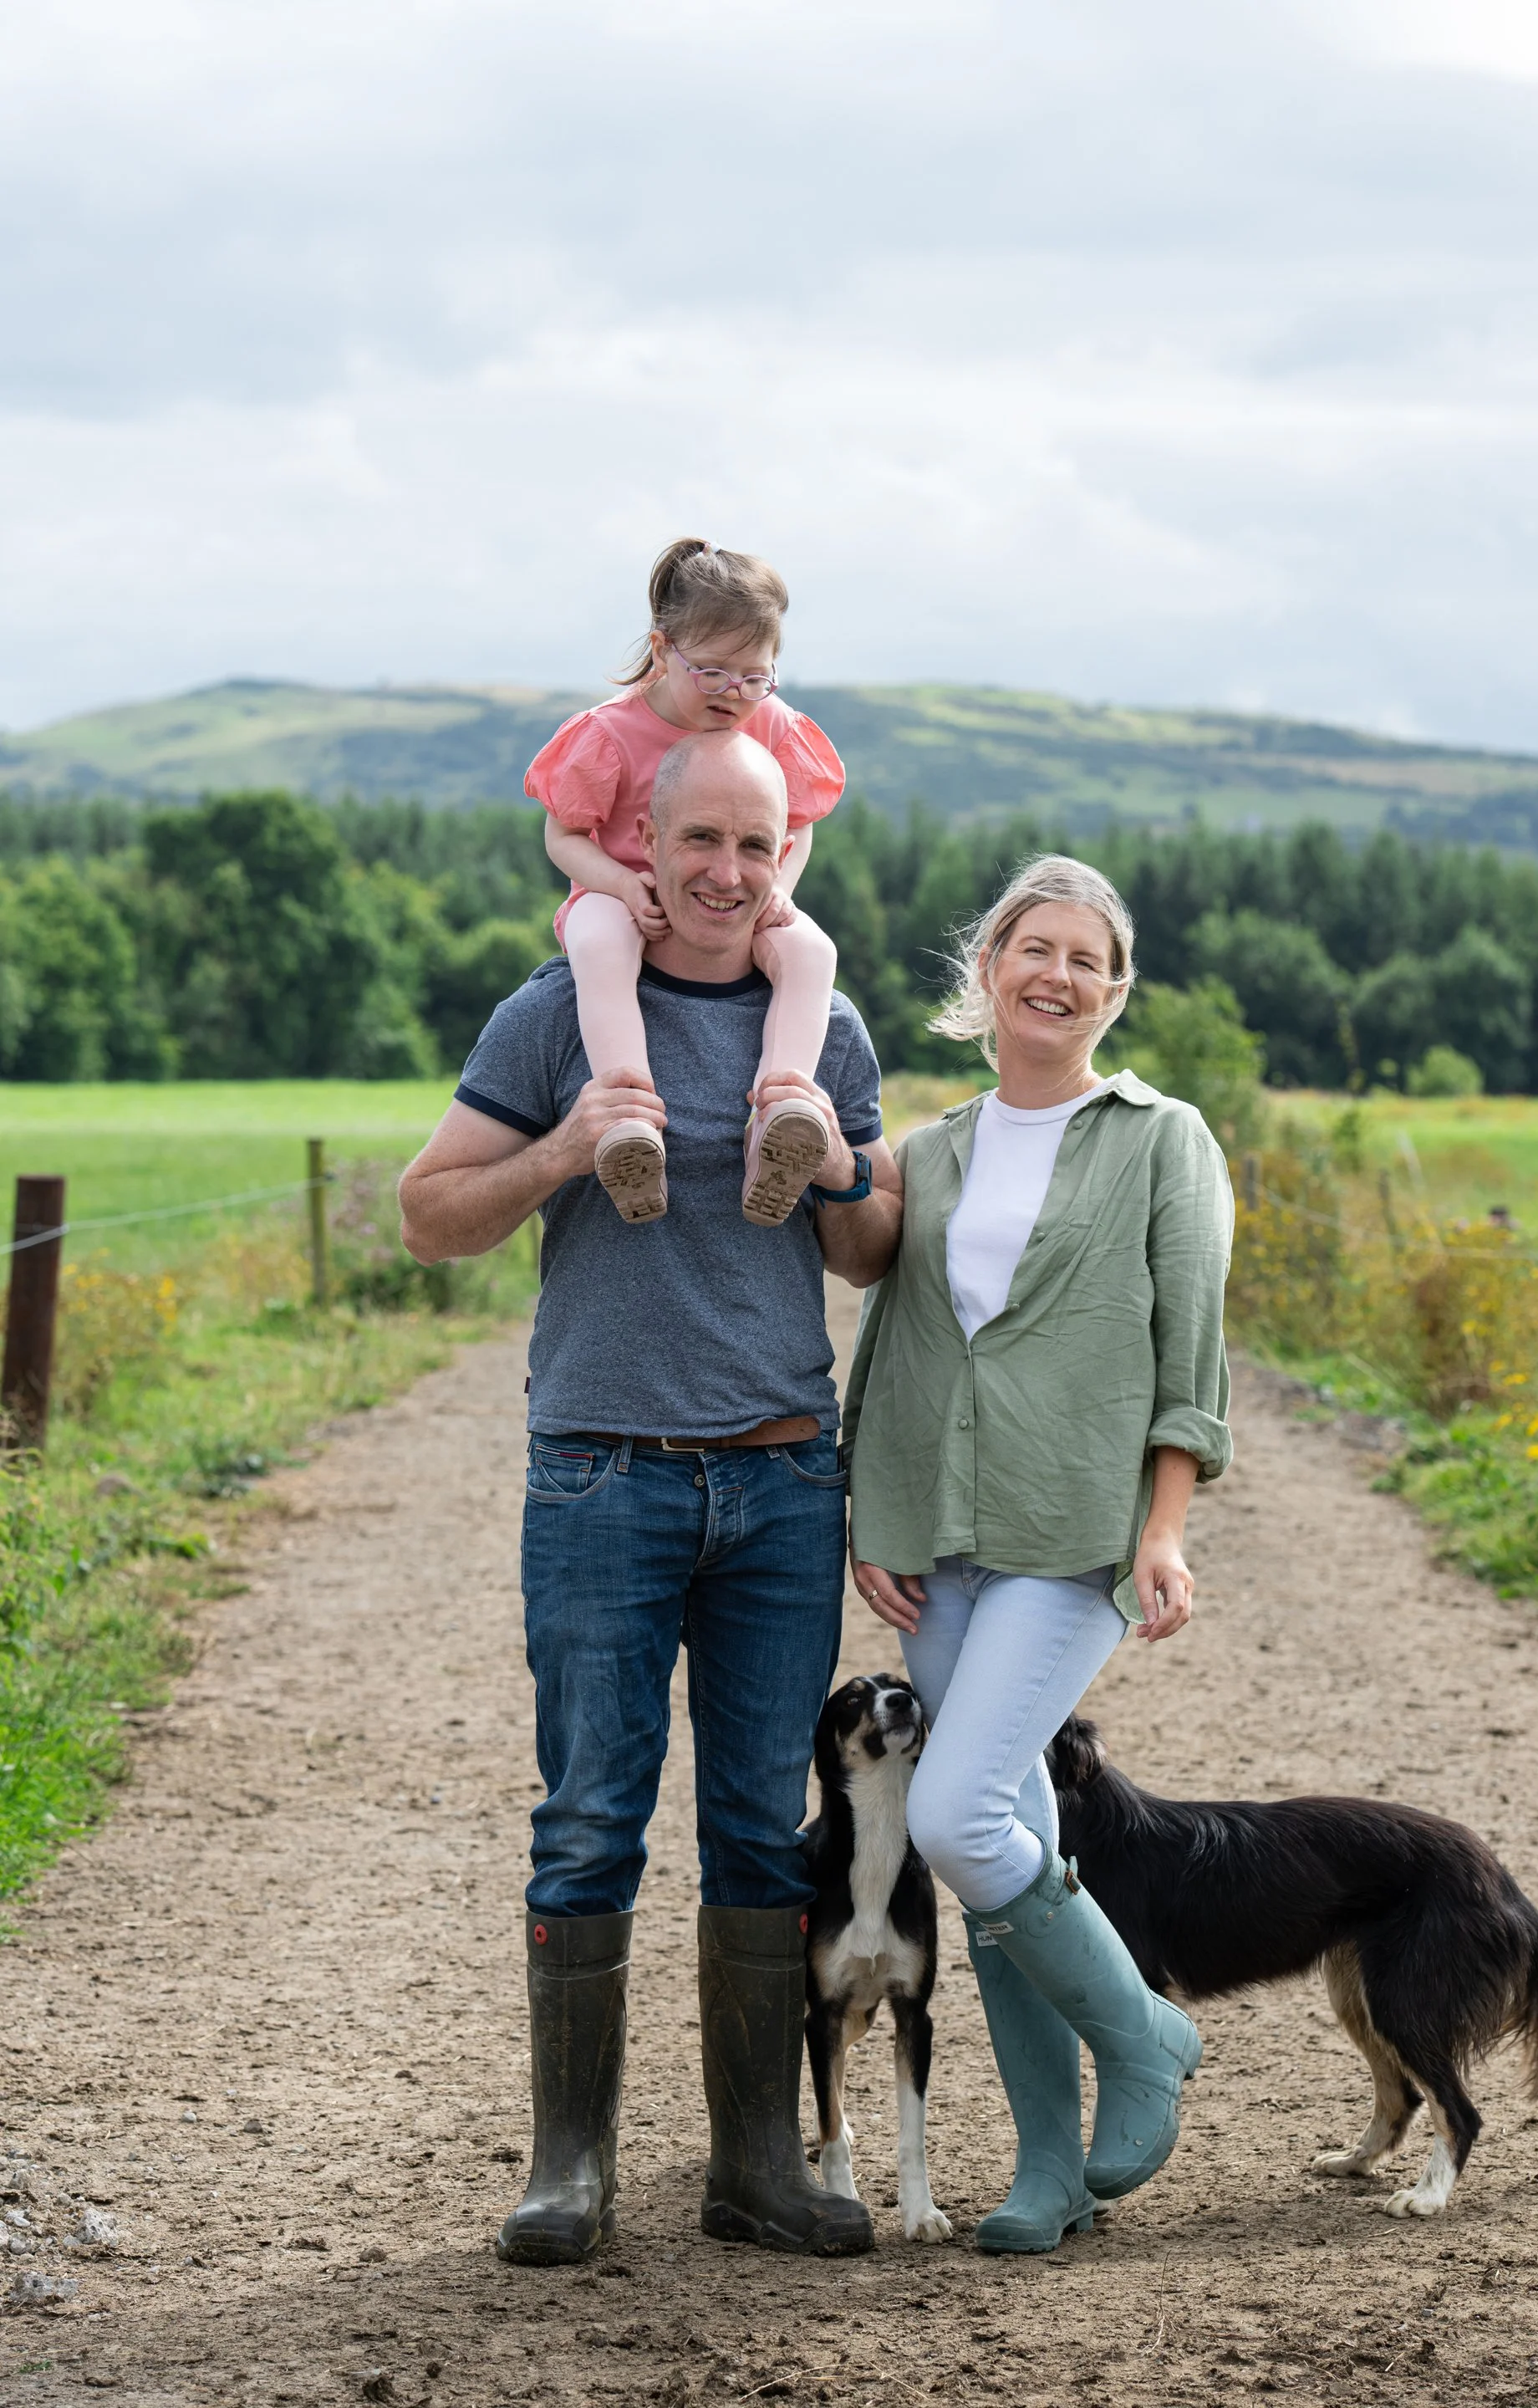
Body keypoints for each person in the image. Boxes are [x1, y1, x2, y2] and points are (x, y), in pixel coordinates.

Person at [399, 729, 903, 2265]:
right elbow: (429, 1217)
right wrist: (567, 1142)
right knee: (589, 1822)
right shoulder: (560, 1012)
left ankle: (755, 2164)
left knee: (759, 1829)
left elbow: (870, 1252)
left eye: (758, 849)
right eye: (702, 844)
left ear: (785, 856)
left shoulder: (825, 1025)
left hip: (777, 1475)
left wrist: (819, 1162)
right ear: (647, 840)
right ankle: (572, 2170)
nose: (729, 878)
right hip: (604, 1474)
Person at [843, 855, 1235, 2256]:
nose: (1057, 974)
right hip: (935, 1543)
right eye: (1034, 948)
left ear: (1114, 992)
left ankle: (1141, 2039)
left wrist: (1168, 1526)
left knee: (954, 1816)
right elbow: (895, 1343)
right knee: (1014, 1835)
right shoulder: (935, 1148)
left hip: (1073, 1538)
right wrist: (863, 1510)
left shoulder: (1161, 1137)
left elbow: (1190, 1350)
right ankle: (1047, 2173)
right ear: (989, 969)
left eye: (1087, 958)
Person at [530, 537, 845, 1228]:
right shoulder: (608, 734)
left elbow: (801, 820)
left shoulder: (774, 725)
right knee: (602, 947)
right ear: (663, 646)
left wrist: (782, 890)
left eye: (755, 677)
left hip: (732, 904)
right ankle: (626, 1118)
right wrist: (618, 883)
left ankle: (781, 1114)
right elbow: (562, 835)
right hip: (623, 897)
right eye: (713, 673)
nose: (735, 695)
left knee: (811, 953)